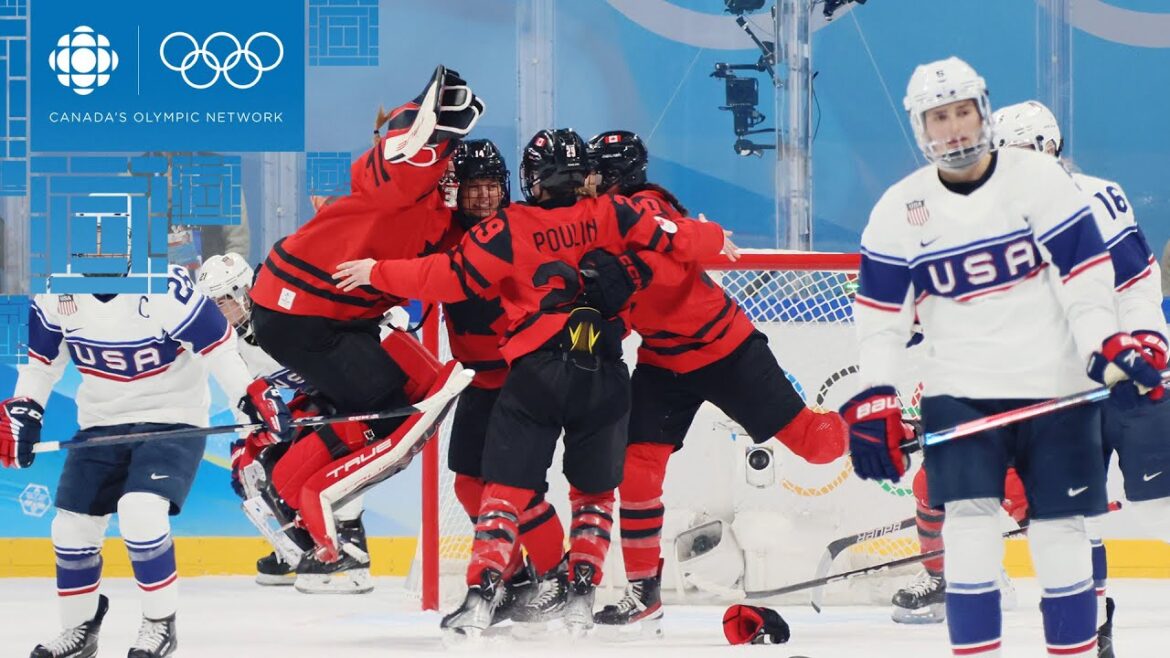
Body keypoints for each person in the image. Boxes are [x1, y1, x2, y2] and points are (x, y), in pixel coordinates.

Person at [332, 127, 738, 637]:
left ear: (528, 180)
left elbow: (446, 276)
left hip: (534, 372)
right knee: (591, 494)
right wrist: (714, 238)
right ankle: (580, 595)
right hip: (603, 370)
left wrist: (376, 272)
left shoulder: (508, 226)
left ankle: (485, 593)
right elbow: (670, 236)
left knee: (504, 488)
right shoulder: (613, 213)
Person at [844, 56, 1162, 657]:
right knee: (967, 532)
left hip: (1058, 386)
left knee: (1062, 532)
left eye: (963, 111)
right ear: (921, 128)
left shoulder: (1043, 183)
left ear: (982, 111)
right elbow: (881, 317)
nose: (954, 129)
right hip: (958, 391)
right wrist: (876, 392)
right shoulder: (897, 209)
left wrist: (1105, 347)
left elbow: (1087, 277)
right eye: (940, 118)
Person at [580, 130, 847, 636]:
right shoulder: (597, 224)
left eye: (595, 173)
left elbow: (671, 255)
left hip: (726, 348)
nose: (587, 183)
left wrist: (628, 273)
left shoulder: (646, 206)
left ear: (615, 176)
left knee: (815, 446)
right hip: (664, 359)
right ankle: (644, 593)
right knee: (637, 469)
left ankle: (881, 424)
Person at [0, 265, 291, 658]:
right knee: (70, 529)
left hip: (173, 421)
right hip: (100, 424)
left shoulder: (166, 287)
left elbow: (218, 345)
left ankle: (159, 624)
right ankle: (79, 628)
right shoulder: (57, 292)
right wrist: (27, 408)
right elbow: (41, 364)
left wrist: (247, 394)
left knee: (141, 512)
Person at [994, 99, 1170, 656]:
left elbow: (1139, 280)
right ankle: (1092, 624)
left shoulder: (1099, 197)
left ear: (1051, 148)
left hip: (1131, 385)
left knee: (1159, 508)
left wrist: (1149, 344)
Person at [196, 253, 375, 594]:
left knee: (334, 460)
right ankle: (302, 548)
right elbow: (246, 402)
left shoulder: (282, 313)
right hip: (319, 404)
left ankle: (351, 543)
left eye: (222, 303)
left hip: (355, 395)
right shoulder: (232, 347)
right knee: (258, 469)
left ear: (242, 292)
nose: (218, 314)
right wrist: (242, 449)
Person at [436, 139, 560, 624]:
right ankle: (515, 579)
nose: (485, 197)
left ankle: (558, 574)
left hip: (522, 380)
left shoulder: (518, 227)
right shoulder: (443, 234)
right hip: (477, 382)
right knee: (470, 484)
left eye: (492, 187)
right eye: (474, 188)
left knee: (516, 488)